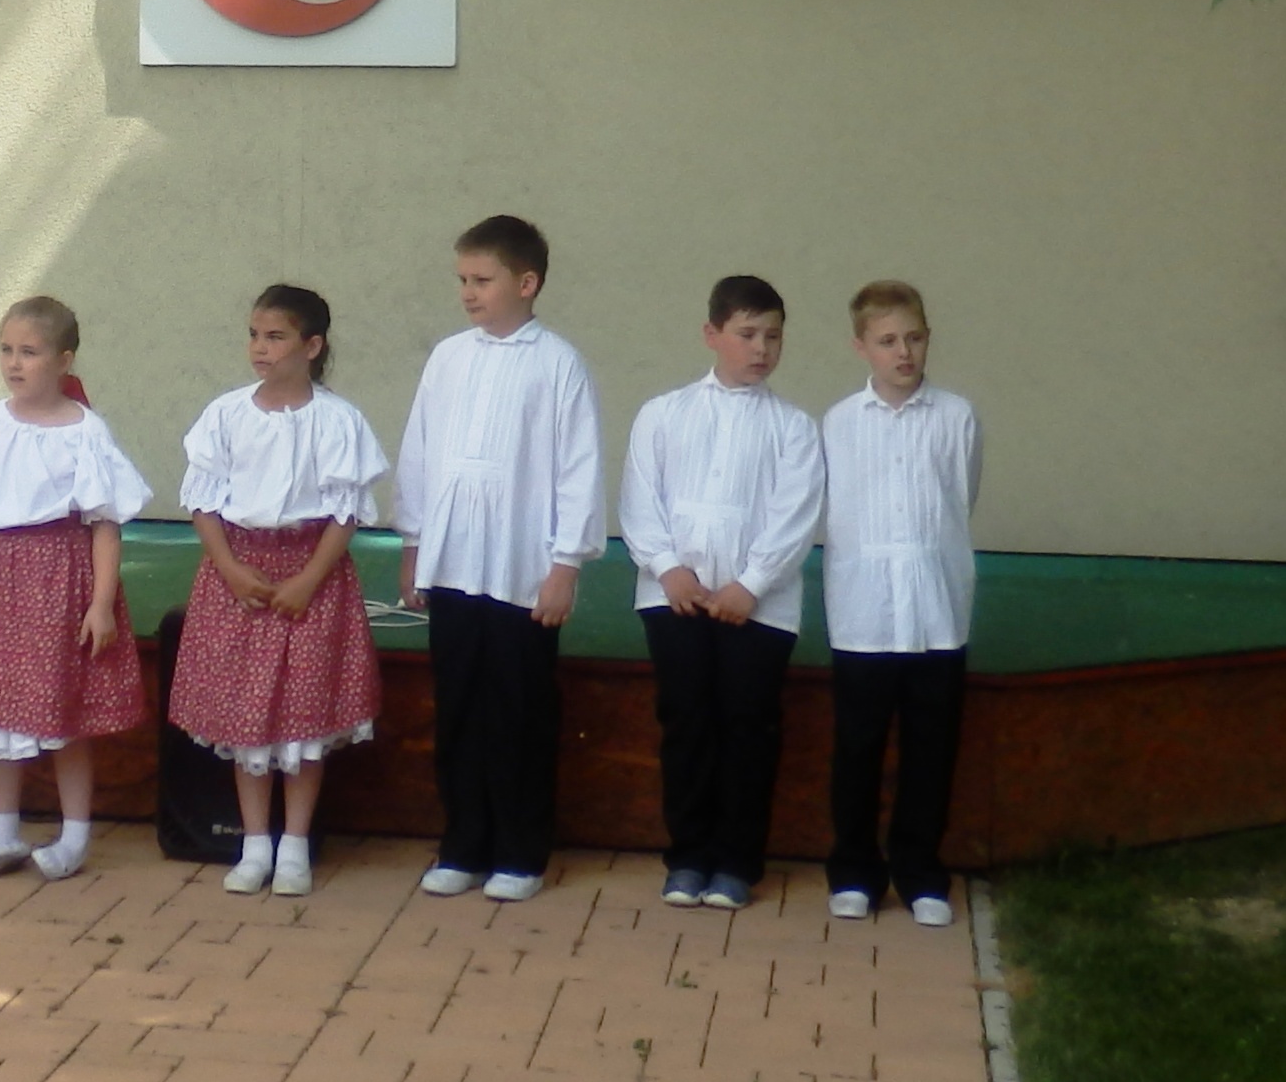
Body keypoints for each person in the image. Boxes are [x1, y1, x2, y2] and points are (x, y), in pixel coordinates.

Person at [394, 215, 604, 902]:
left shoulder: (558, 363)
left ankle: (519, 852)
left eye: (482, 280)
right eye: (462, 279)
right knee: (459, 706)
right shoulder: (448, 358)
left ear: (526, 282)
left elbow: (578, 467)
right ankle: (463, 844)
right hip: (453, 559)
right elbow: (420, 451)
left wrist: (565, 564)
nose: (468, 292)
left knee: (519, 709)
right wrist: (414, 543)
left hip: (522, 567)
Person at [622, 274, 830, 912]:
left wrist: (752, 584)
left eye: (773, 336)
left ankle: (737, 863)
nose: (761, 348)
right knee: (687, 723)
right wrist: (667, 567)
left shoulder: (794, 428)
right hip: (674, 597)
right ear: (712, 334)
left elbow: (796, 515)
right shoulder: (664, 414)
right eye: (747, 334)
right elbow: (640, 498)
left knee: (747, 727)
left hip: (758, 608)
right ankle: (688, 859)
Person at [172, 284, 385, 897]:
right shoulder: (226, 415)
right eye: (254, 335)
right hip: (241, 573)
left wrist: (310, 578)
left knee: (303, 714)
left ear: (311, 346)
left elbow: (345, 510)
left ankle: (295, 845)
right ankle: (254, 844)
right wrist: (230, 569)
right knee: (246, 717)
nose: (260, 348)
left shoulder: (337, 420)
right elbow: (204, 501)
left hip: (309, 572)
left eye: (276, 337)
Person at [0, 296, 152, 881]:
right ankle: (2, 831)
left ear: (63, 359)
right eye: (6, 350)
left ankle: (74, 834)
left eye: (28, 352)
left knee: (64, 712)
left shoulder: (85, 433)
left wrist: (101, 603)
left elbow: (105, 524)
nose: (14, 362)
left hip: (57, 584)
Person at [822, 279, 983, 926]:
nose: (904, 352)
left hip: (936, 611)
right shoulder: (838, 423)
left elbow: (959, 497)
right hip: (863, 613)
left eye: (914, 338)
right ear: (861, 346)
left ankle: (920, 873)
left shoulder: (955, 417)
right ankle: (854, 871)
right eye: (888, 341)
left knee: (930, 747)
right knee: (858, 746)